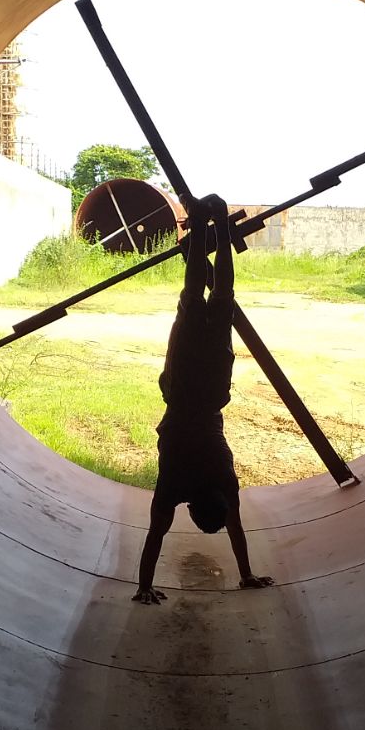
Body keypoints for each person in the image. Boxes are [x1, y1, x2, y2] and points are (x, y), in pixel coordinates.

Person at [132, 193, 275, 605]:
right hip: (182, 387)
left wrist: (247, 573)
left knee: (222, 297)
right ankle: (199, 223)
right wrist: (142, 586)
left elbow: (236, 529)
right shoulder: (175, 484)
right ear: (192, 508)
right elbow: (156, 534)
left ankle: (218, 223)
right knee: (194, 295)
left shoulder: (225, 486)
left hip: (213, 385)